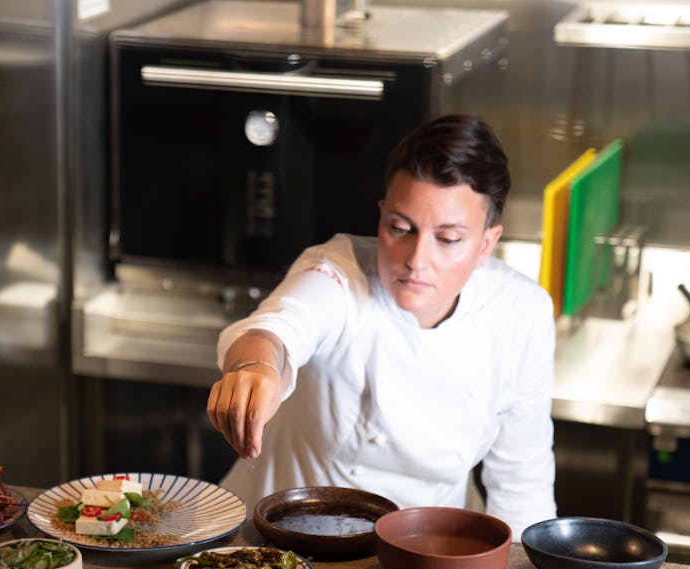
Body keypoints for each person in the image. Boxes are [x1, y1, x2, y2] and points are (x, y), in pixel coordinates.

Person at [205, 113, 556, 541]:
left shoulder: (520, 313)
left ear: (486, 243)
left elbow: (522, 486)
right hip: (278, 549)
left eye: (447, 239)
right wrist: (254, 369)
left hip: (423, 561)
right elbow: (278, 329)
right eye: (400, 228)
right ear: (382, 215)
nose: (416, 258)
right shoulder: (338, 271)